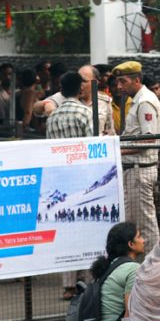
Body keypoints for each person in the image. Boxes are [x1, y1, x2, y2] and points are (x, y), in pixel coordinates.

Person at [46, 72, 95, 299]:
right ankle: (84, 280)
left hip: (59, 180)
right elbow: (93, 148)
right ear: (79, 89)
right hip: (83, 179)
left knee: (65, 230)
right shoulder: (85, 112)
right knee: (85, 228)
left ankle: (67, 285)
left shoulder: (52, 117)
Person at [113, 61, 160, 256]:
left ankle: (155, 265)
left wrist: (118, 151)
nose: (119, 86)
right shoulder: (137, 101)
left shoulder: (144, 102)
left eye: (123, 81)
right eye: (118, 82)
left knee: (146, 224)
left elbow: (149, 139)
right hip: (134, 169)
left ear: (137, 80)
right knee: (135, 223)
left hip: (140, 169)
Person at [89, 222, 144, 321]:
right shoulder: (133, 269)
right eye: (139, 237)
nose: (143, 241)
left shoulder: (110, 266)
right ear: (131, 244)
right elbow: (131, 313)